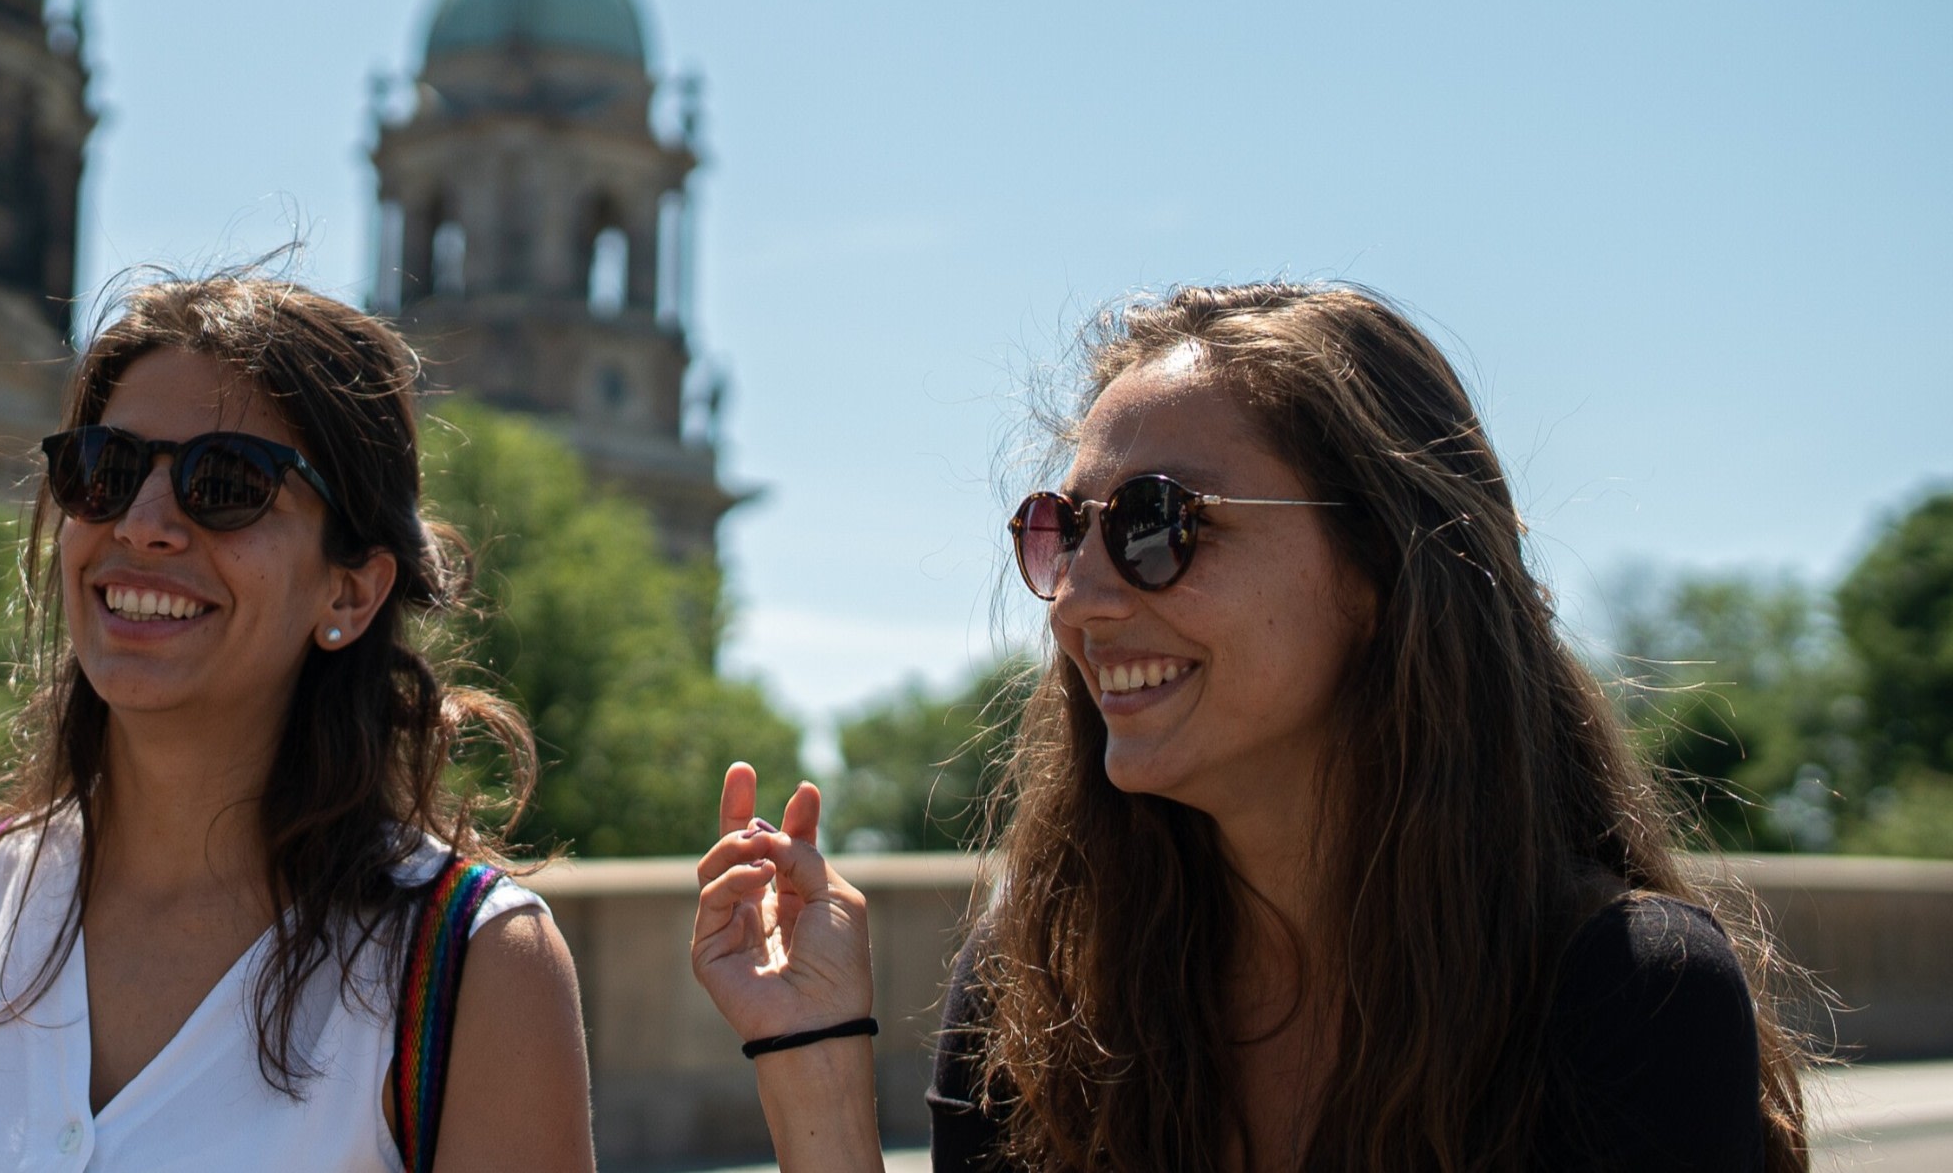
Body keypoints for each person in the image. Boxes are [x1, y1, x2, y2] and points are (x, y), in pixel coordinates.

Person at [690, 283, 1811, 1172]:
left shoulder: (1626, 995)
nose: (1078, 596)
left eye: (1156, 523)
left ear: (1382, 568)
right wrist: (814, 1061)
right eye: (1061, 530)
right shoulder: (1041, 985)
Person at [0, 275, 594, 1173]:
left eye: (227, 483)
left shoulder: (472, 970)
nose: (143, 524)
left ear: (351, 589)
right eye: (105, 470)